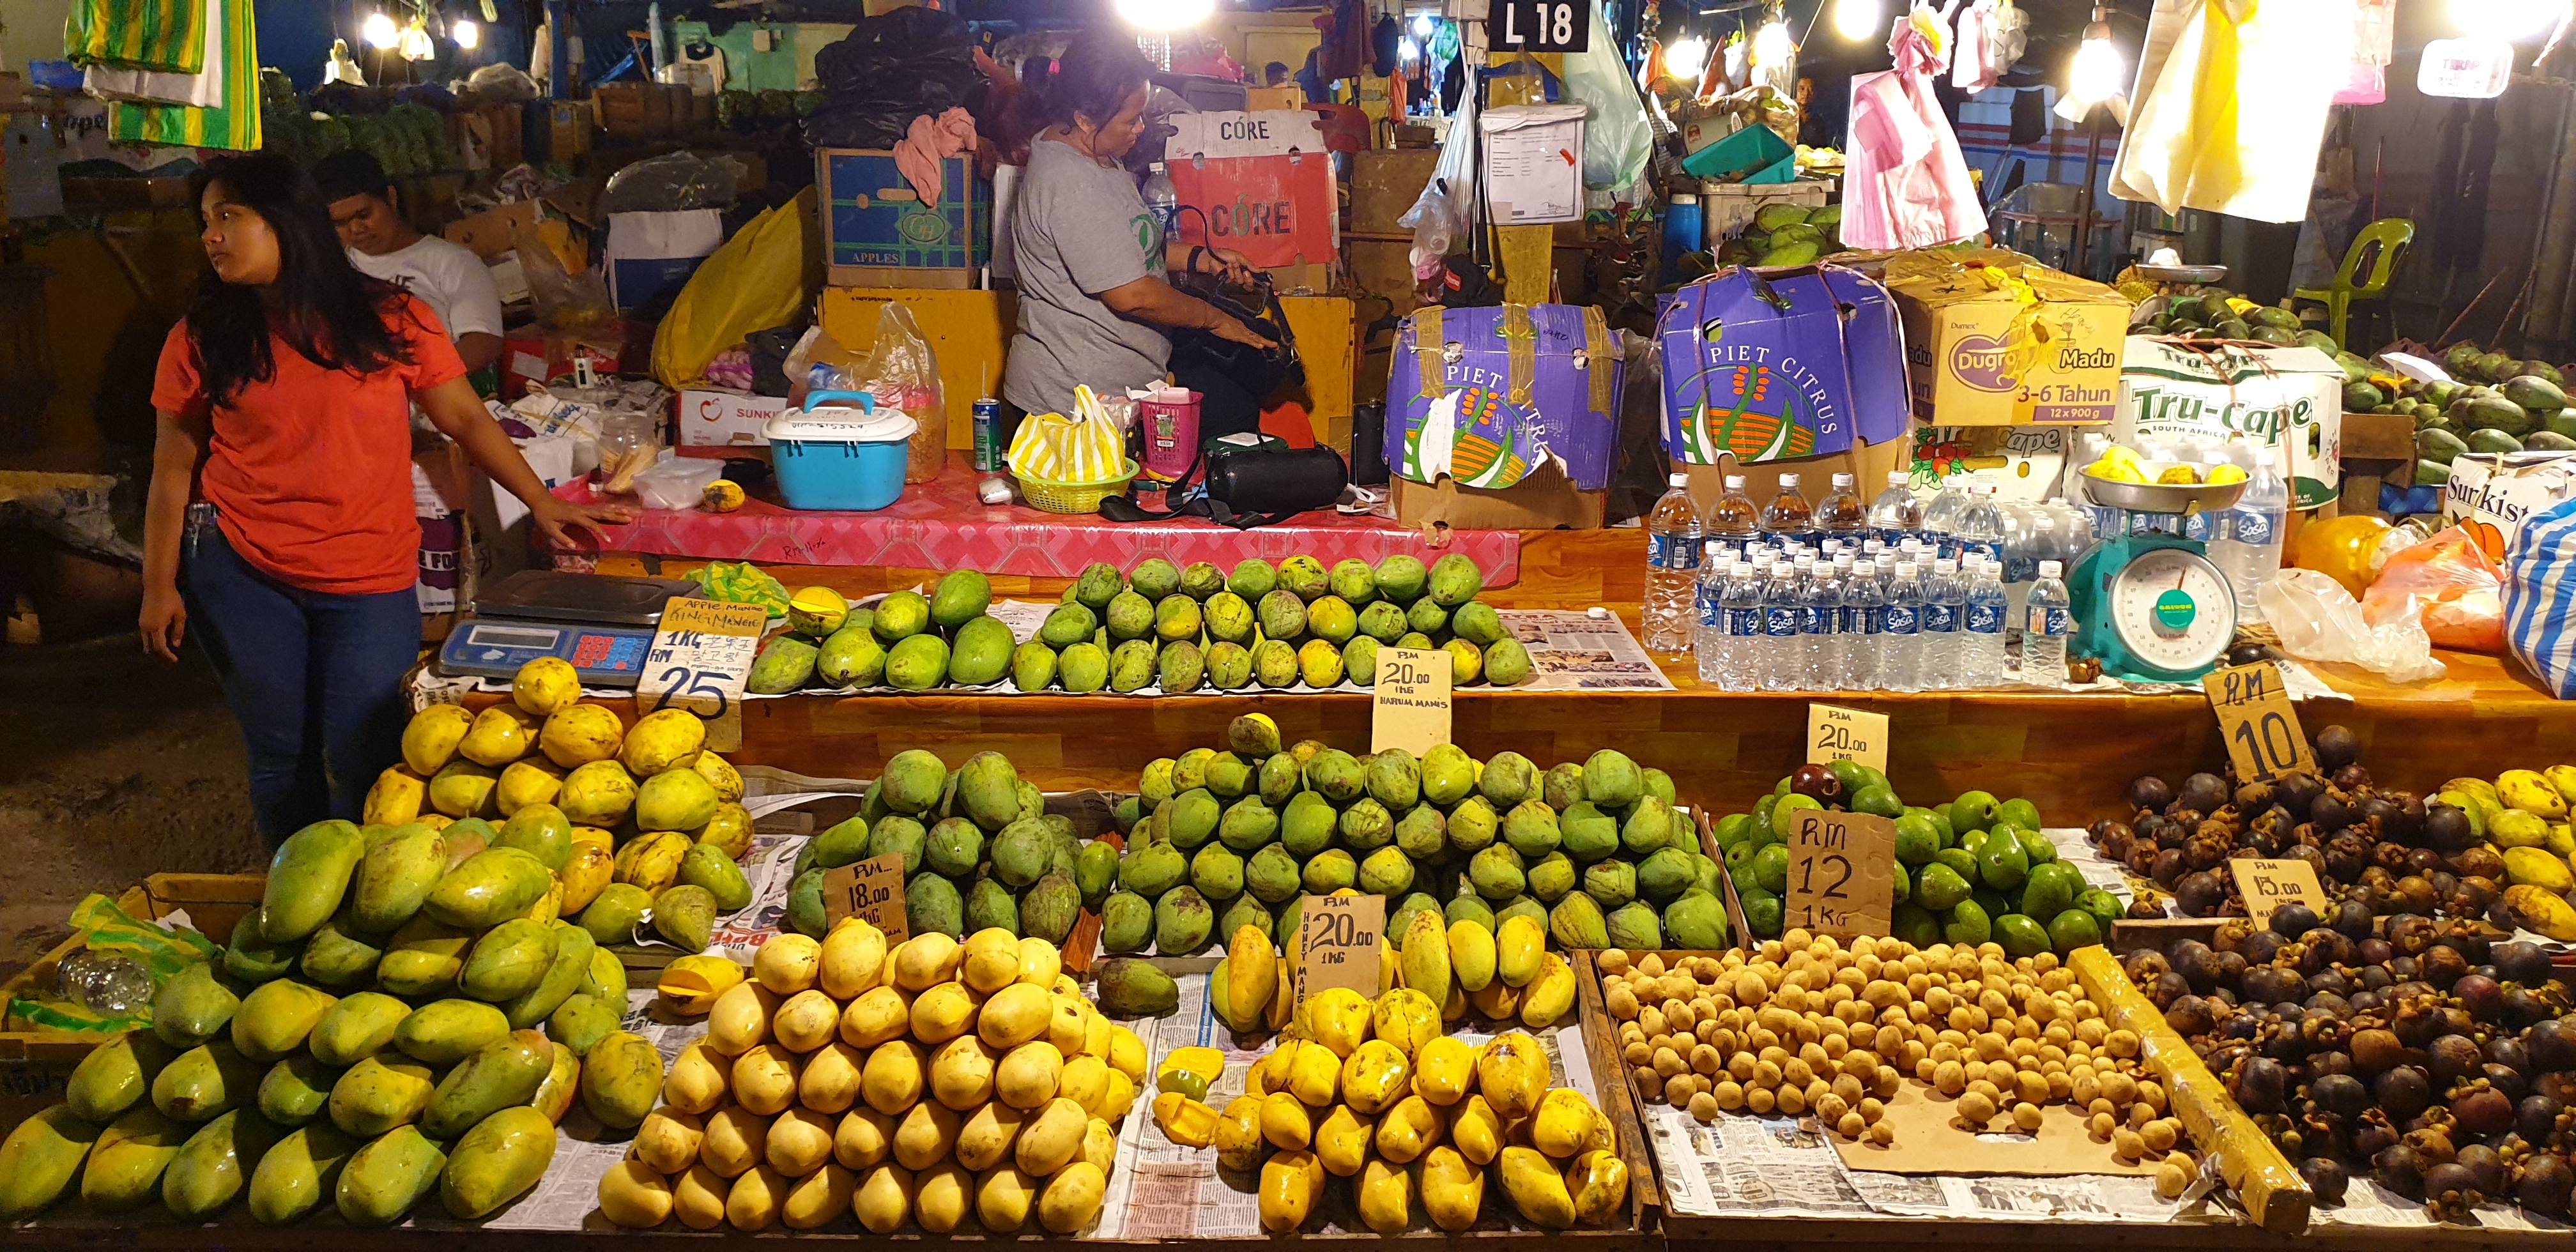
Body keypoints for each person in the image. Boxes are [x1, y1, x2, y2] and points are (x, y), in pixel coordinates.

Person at [139, 152, 631, 844]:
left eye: (229, 216)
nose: (211, 236)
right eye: (205, 221)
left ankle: (360, 900)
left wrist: (539, 501)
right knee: (282, 756)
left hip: (368, 574)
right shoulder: (201, 336)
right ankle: (297, 901)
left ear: (287, 221)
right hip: (245, 568)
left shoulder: (393, 319)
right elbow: (172, 466)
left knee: (367, 754)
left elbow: (464, 417)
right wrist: (159, 582)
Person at [1002, 31, 1276, 447]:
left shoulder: (1093, 152)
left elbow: (1125, 245)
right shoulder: (1070, 181)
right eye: (1131, 120)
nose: (1140, 128)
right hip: (1072, 409)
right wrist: (1215, 319)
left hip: (1112, 393)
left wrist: (1203, 259)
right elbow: (1132, 293)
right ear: (1084, 118)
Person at [312, 149, 506, 375]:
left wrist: (426, 386)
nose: (356, 229)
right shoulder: (333, 270)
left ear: (391, 199)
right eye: (340, 222)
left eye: (364, 215)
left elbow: (484, 342)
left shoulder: (453, 263)